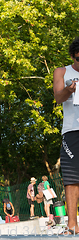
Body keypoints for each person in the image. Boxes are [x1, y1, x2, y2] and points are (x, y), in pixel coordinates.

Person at [53, 36, 79, 233]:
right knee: (72, 179)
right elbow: (57, 96)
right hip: (72, 131)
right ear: (72, 56)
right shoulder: (62, 72)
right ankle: (72, 225)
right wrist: (70, 90)